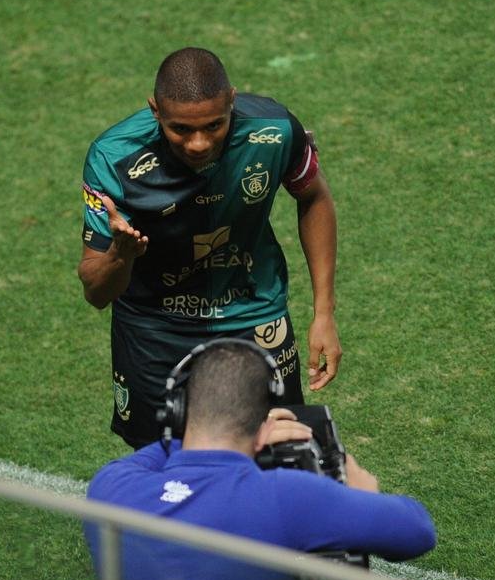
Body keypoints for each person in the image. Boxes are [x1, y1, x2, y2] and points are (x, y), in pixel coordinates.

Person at [84, 340, 436, 580]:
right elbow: (417, 530)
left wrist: (204, 431)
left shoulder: (109, 490)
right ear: (264, 425)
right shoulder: (287, 498)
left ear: (179, 411)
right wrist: (365, 494)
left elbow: (163, 449)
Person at [79, 46, 342, 448]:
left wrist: (323, 312)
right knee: (164, 461)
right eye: (181, 129)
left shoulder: (274, 130)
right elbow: (97, 293)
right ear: (155, 111)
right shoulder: (114, 158)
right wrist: (120, 255)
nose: (199, 143)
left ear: (232, 101)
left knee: (278, 451)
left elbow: (315, 197)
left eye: (215, 125)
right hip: (155, 326)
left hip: (253, 310)